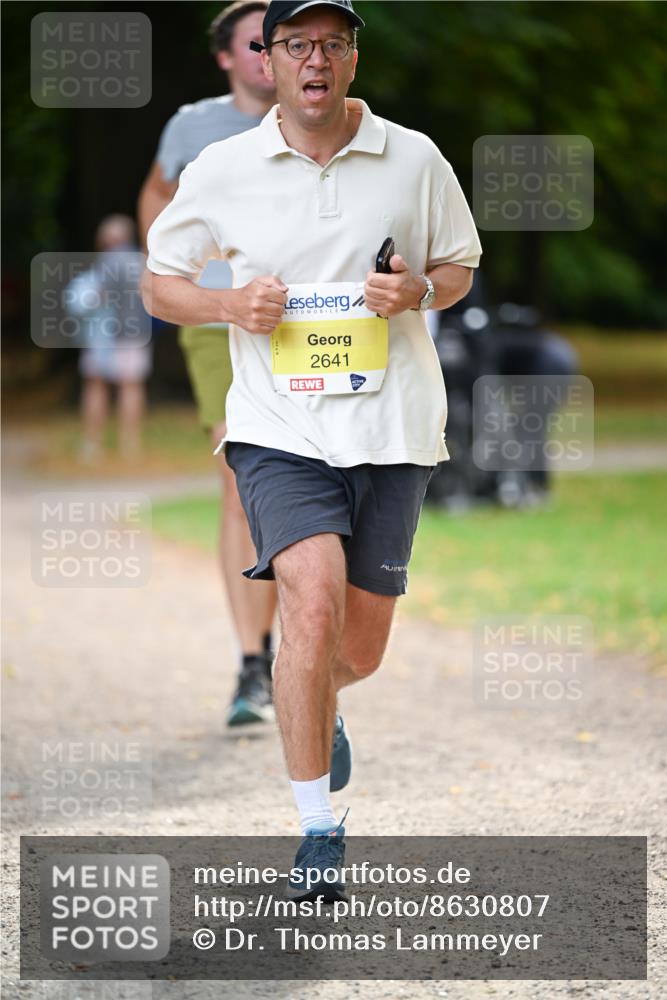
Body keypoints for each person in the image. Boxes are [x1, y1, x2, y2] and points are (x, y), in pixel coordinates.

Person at [143, 0, 482, 897]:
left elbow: (457, 267)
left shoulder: (413, 157)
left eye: (333, 43)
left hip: (392, 426)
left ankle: (316, 699)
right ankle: (317, 831)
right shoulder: (222, 166)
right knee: (310, 592)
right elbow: (159, 283)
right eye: (297, 44)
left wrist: (417, 289)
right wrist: (227, 306)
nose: (315, 59)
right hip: (276, 428)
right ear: (271, 59)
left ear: (353, 59)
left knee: (355, 651)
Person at [138, 1, 279, 727]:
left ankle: (307, 645)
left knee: (317, 481)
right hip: (217, 323)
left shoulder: (327, 119)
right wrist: (178, 282)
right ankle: (254, 664)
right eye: (255, 44)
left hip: (305, 323)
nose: (269, 55)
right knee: (242, 479)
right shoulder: (193, 127)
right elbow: (156, 197)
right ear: (226, 57)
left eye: (278, 43)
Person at [67, 214, 151, 463]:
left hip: (107, 336)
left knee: (103, 385)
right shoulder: (142, 265)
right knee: (127, 385)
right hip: (128, 335)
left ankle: (97, 444)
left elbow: (85, 300)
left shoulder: (105, 266)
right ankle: (128, 445)